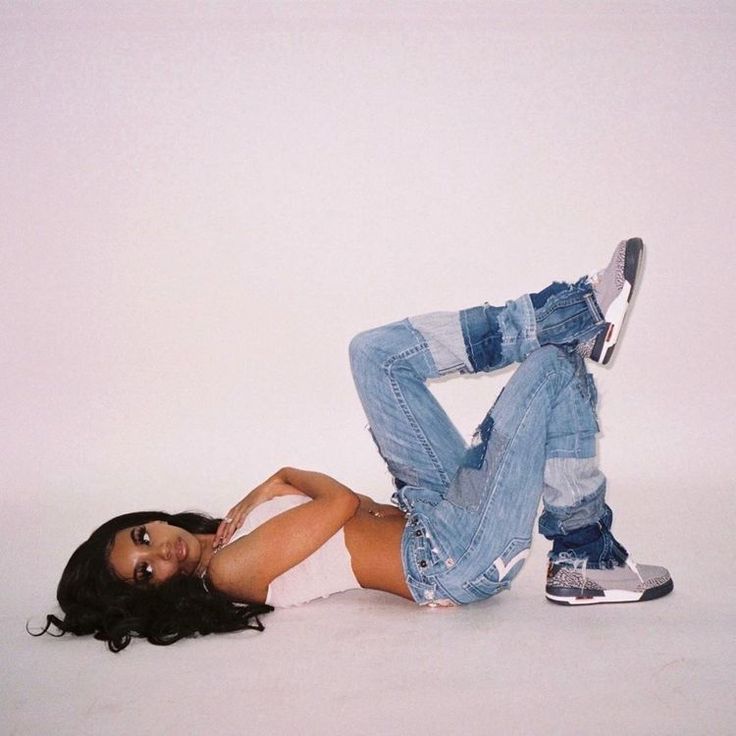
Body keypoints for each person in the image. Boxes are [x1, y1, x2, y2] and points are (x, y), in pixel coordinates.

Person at [37, 238, 672, 651]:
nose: (161, 553)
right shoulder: (229, 571)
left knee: (374, 354)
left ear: (145, 520)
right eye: (146, 573)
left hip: (429, 513)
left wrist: (272, 487)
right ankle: (584, 554)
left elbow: (334, 506)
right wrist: (278, 475)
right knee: (551, 371)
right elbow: (338, 504)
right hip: (452, 558)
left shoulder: (231, 533)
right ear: (155, 596)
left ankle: (570, 318)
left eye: (141, 539)